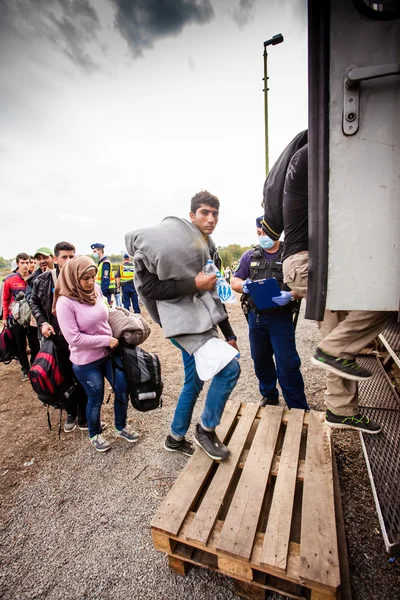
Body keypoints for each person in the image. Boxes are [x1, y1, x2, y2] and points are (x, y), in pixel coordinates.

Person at [277, 142, 393, 433]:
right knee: (387, 299)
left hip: (306, 265)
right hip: (309, 264)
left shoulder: (300, 163)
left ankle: (340, 410)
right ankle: (332, 349)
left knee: (339, 337)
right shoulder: (313, 155)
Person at [126, 190, 241, 462]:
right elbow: (150, 288)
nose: (211, 219)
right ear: (191, 215)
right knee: (229, 368)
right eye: (204, 213)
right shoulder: (173, 246)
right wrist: (194, 284)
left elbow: (214, 295)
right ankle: (206, 429)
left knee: (195, 382)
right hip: (183, 323)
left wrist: (230, 334)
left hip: (204, 320)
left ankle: (175, 438)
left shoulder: (209, 249)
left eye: (215, 214)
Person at [55, 256, 138, 452]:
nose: (91, 282)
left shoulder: (96, 290)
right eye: (86, 278)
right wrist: (104, 340)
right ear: (73, 278)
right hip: (86, 362)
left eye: (93, 276)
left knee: (122, 388)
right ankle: (95, 433)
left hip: (108, 353)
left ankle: (121, 426)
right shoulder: (64, 303)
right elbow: (73, 338)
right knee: (95, 398)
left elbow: (104, 315)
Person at [231, 217, 308, 410]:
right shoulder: (250, 256)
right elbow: (235, 281)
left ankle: (297, 405)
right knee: (260, 360)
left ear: (277, 232)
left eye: (266, 232)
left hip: (281, 318)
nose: (262, 236)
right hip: (256, 318)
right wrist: (243, 286)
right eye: (259, 233)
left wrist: (291, 295)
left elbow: (305, 285)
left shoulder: (290, 255)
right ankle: (269, 395)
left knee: (287, 363)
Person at [29, 242, 88, 433]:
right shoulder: (44, 280)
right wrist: (42, 322)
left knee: (82, 376)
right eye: (64, 257)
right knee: (63, 378)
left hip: (79, 338)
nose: (69, 260)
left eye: (72, 256)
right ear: (55, 259)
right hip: (57, 340)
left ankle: (84, 416)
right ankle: (70, 412)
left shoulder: (82, 277)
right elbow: (34, 301)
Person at [2, 253, 40, 380]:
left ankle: (34, 365)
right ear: (18, 264)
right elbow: (6, 300)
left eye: (27, 262)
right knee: (20, 346)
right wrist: (5, 318)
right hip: (16, 319)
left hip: (32, 318)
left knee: (35, 345)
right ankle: (25, 369)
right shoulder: (9, 280)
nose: (25, 265)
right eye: (22, 263)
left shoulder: (35, 278)